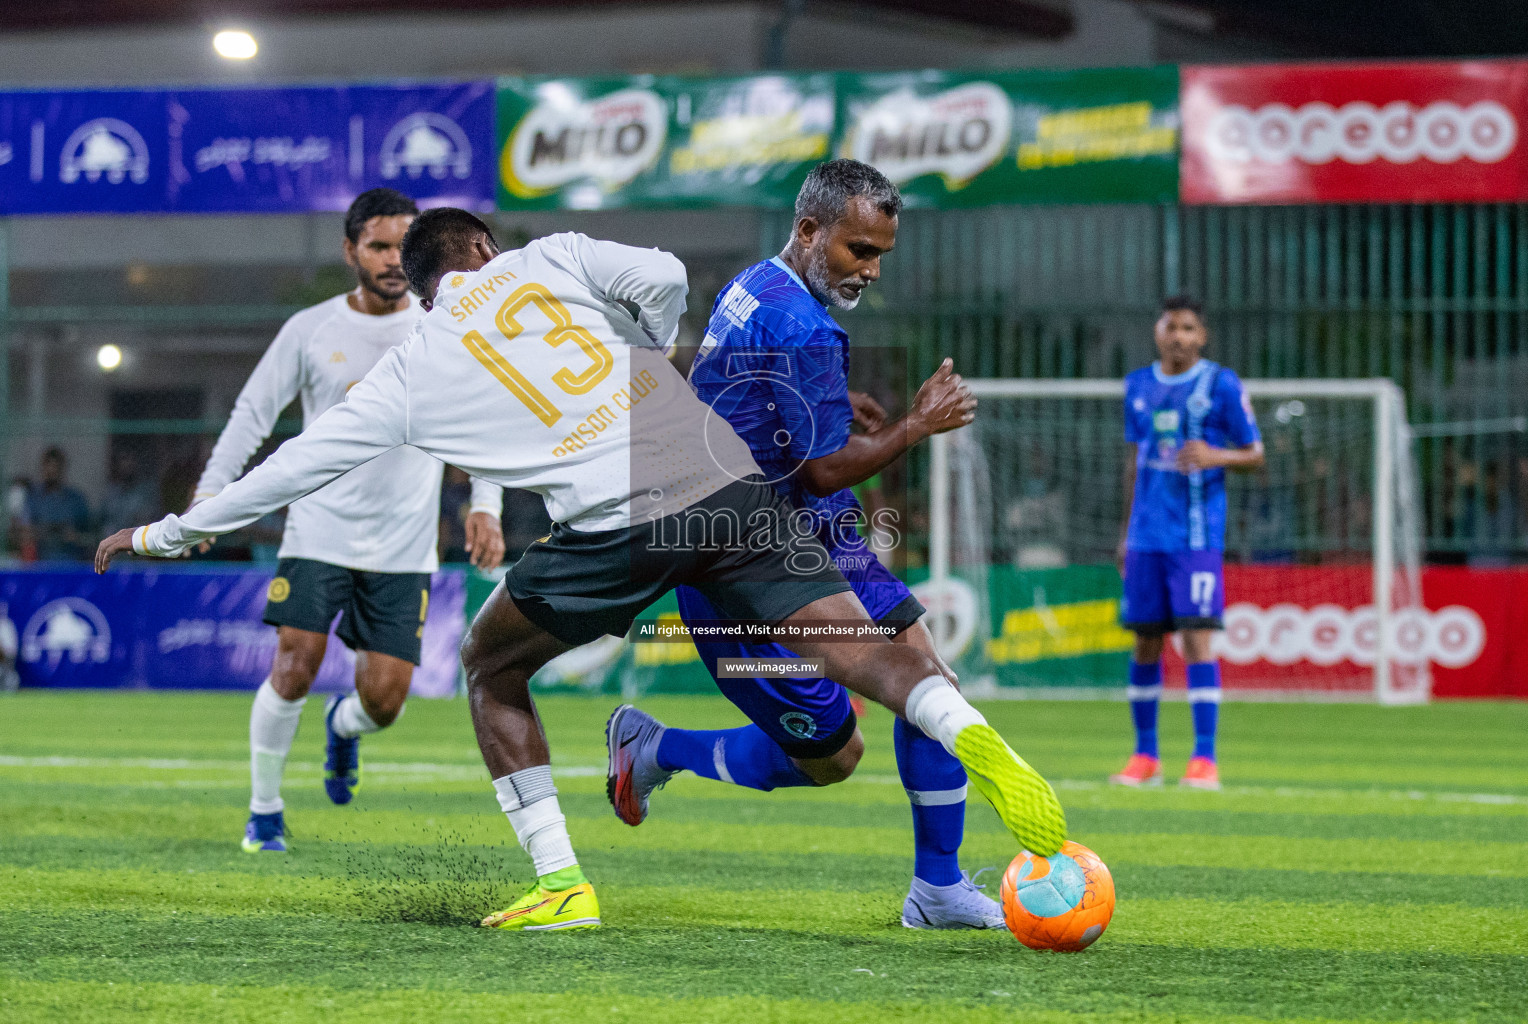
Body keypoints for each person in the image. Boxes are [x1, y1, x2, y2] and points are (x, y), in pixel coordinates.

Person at [96, 207, 1067, 932]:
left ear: (423, 279)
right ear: (482, 250)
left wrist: (168, 535)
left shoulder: (405, 371)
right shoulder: (549, 257)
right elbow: (665, 270)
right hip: (719, 473)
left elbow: (296, 464)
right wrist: (648, 350)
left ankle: (563, 881)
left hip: (615, 527)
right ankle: (968, 729)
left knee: (489, 664)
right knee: (861, 651)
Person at [603, 160, 1001, 930]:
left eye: (881, 253)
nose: (872, 270)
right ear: (810, 230)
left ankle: (939, 889)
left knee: (929, 680)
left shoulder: (754, 281)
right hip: (737, 557)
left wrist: (811, 402)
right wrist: (916, 426)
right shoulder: (805, 324)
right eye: (859, 250)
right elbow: (820, 470)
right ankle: (655, 749)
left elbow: (716, 383)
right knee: (833, 756)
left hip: (821, 534)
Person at [187, 189, 506, 854]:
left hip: (404, 547)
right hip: (317, 535)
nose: (393, 259)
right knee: (295, 665)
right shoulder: (309, 330)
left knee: (384, 702)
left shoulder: (445, 327)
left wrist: (485, 505)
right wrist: (209, 499)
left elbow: (487, 417)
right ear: (350, 251)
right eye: (379, 246)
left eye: (402, 245)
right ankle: (264, 811)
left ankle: (344, 727)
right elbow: (251, 417)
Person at [1111, 295, 1264, 791]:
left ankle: (1204, 759)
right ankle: (1145, 756)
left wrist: (1216, 454)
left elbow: (1256, 453)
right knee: (1145, 642)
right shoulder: (1137, 385)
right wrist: (1124, 533)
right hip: (1144, 539)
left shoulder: (1220, 384)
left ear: (1203, 337)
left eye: (1189, 328)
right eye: (1172, 326)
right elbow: (1135, 463)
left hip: (1195, 538)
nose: (1179, 336)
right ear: (1158, 331)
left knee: (1197, 639)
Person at [24, 448, 92, 561]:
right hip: (40, 563)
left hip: (71, 562)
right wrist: (40, 533)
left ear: (62, 469)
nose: (51, 472)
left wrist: (74, 536)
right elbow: (24, 534)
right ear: (42, 468)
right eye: (48, 466)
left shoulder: (76, 500)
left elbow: (91, 538)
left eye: (55, 467)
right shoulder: (33, 499)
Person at [99, 450, 159, 537]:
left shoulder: (146, 492)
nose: (127, 465)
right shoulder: (112, 492)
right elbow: (100, 521)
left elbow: (148, 522)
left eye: (130, 461)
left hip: (136, 544)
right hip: (111, 544)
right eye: (123, 460)